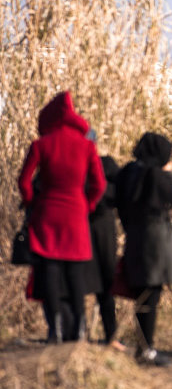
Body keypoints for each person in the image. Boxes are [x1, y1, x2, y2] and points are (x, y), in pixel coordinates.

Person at [18, 91, 106, 343]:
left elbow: (23, 181)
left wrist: (31, 202)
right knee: (75, 272)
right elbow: (98, 184)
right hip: (76, 213)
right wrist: (86, 205)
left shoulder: (41, 144)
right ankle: (79, 329)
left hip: (47, 211)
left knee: (51, 270)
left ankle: (54, 330)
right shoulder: (87, 145)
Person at [116, 132, 172, 366]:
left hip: (134, 237)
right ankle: (147, 349)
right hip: (155, 240)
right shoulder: (156, 174)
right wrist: (168, 171)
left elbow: (119, 203)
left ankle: (144, 346)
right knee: (151, 294)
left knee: (140, 294)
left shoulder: (128, 172)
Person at [85, 154, 122, 347]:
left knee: (104, 280)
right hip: (92, 225)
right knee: (82, 280)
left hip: (95, 226)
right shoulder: (103, 164)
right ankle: (107, 335)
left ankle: (109, 335)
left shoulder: (104, 164)